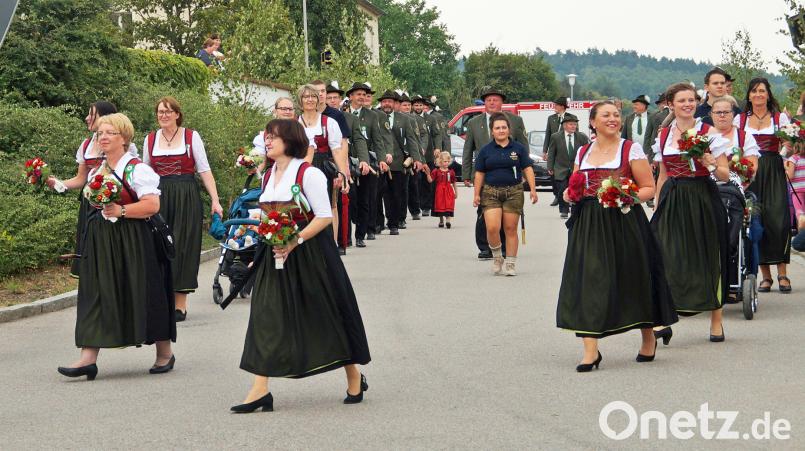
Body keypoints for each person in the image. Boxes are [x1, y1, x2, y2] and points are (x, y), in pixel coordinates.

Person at [232, 119, 370, 413]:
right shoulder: (268, 175)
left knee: (327, 313)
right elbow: (268, 214)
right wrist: (260, 229)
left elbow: (323, 217)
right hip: (276, 255)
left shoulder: (309, 174)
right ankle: (260, 388)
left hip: (310, 255)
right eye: (266, 137)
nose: (267, 142)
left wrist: (295, 240)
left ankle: (353, 372)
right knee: (265, 314)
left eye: (273, 137)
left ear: (290, 140)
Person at [557, 101, 678, 372]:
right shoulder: (582, 151)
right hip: (588, 223)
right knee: (589, 280)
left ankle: (648, 336)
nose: (612, 119)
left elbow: (648, 187)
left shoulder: (630, 148)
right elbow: (575, 186)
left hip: (624, 221)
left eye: (615, 115)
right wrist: (568, 194)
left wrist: (626, 196)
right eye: (606, 115)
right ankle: (590, 350)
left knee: (635, 278)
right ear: (593, 122)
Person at [57, 113, 175, 381]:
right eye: (100, 133)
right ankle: (88, 358)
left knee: (144, 290)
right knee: (95, 293)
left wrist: (120, 210)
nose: (103, 137)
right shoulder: (98, 170)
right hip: (101, 241)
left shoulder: (136, 169)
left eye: (110, 133)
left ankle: (164, 352)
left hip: (133, 240)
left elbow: (152, 206)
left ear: (124, 138)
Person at [651, 82, 732, 343]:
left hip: (702, 196)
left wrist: (709, 162)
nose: (687, 104)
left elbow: (725, 174)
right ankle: (663, 318)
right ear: (671, 104)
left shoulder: (708, 131)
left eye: (691, 100)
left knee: (710, 254)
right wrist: (656, 201)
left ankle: (716, 320)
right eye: (681, 100)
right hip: (673, 198)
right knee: (663, 255)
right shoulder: (663, 135)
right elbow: (663, 174)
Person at [143, 96, 224, 322]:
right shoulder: (150, 139)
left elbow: (204, 170)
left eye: (168, 111)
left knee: (183, 245)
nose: (164, 115)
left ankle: (180, 303)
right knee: (158, 245)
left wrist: (215, 200)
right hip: (159, 196)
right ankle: (162, 300)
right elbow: (145, 175)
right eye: (160, 112)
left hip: (186, 195)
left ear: (177, 114)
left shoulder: (191, 137)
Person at [47, 101, 138, 278]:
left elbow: (129, 177)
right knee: (90, 252)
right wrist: (58, 183)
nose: (87, 117)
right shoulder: (86, 144)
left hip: (114, 203)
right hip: (90, 204)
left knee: (112, 253)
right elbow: (81, 179)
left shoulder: (125, 147)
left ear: (104, 117)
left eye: (92, 114)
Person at [734, 78, 793, 293]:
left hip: (774, 170)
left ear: (768, 94)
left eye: (762, 91)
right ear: (749, 95)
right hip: (750, 171)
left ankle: (783, 273)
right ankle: (765, 276)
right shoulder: (740, 120)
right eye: (754, 91)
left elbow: (790, 148)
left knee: (779, 220)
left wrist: (786, 150)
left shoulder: (780, 118)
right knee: (756, 221)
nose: (758, 94)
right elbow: (734, 145)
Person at [462, 87, 528, 259]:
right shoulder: (474, 123)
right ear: (484, 102)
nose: (492, 102)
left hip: (509, 175)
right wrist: (467, 174)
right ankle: (486, 247)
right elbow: (467, 150)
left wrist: (524, 174)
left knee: (507, 214)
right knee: (484, 213)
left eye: (496, 99)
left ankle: (505, 246)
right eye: (489, 99)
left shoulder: (515, 121)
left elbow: (523, 149)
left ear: (502, 102)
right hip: (484, 173)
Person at [472, 112, 538, 276]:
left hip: (514, 192)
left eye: (504, 127)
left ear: (509, 129)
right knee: (493, 228)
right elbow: (479, 173)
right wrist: (476, 194)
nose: (501, 130)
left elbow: (527, 169)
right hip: (490, 192)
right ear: (492, 131)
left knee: (510, 228)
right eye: (497, 128)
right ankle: (497, 257)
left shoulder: (518, 148)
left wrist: (533, 190)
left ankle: (510, 263)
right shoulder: (485, 150)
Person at [377, 89, 422, 235]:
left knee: (397, 194)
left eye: (389, 101)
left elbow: (411, 139)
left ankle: (394, 222)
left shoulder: (404, 119)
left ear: (395, 103)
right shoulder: (375, 117)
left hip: (398, 163)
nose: (387, 104)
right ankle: (380, 222)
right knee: (382, 195)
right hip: (380, 162)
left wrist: (417, 159)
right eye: (384, 101)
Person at [345, 83, 383, 248]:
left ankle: (361, 234)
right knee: (350, 199)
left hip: (365, 162)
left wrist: (380, 159)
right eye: (358, 94)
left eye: (364, 94)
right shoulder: (342, 114)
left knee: (364, 199)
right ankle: (346, 235)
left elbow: (377, 139)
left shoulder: (371, 116)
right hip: (346, 161)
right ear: (350, 96)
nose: (361, 97)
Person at [547, 114, 590, 219]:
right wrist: (550, 167)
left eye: (575, 124)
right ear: (564, 125)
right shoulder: (556, 137)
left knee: (576, 189)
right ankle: (564, 210)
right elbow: (552, 153)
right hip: (560, 169)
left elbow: (587, 152)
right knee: (562, 190)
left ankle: (576, 208)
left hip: (576, 169)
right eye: (571, 124)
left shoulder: (582, 137)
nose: (573, 126)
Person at [543, 97, 569, 207]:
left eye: (556, 105)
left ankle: (564, 196)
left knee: (564, 176)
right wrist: (545, 151)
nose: (554, 107)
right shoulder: (551, 118)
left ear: (562, 106)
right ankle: (556, 195)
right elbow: (548, 134)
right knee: (552, 174)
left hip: (565, 151)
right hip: (553, 151)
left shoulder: (571, 118)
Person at [425, 151, 457, 228]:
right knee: (440, 205)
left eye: (448, 161)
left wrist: (456, 192)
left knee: (449, 205)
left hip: (449, 191)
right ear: (440, 161)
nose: (446, 163)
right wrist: (428, 174)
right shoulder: (436, 171)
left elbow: (454, 182)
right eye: (445, 161)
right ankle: (441, 220)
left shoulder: (451, 172)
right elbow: (430, 180)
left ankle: (448, 221)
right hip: (439, 191)